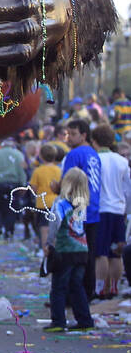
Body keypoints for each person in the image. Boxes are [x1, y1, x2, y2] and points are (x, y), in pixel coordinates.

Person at [44, 169, 94, 332]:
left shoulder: (61, 203)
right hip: (81, 249)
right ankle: (84, 319)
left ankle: (58, 321)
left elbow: (55, 224)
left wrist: (49, 243)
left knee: (59, 286)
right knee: (76, 285)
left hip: (65, 249)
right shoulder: (81, 202)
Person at [63, 119, 104, 303]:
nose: (69, 137)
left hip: (78, 209)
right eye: (67, 133)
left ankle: (73, 297)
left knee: (73, 255)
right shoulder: (94, 154)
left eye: (73, 134)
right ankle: (88, 293)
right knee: (89, 254)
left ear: (84, 135)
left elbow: (66, 184)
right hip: (94, 208)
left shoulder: (74, 154)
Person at [93, 124, 131, 299]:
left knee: (100, 253)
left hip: (100, 209)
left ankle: (100, 288)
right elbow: (127, 189)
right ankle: (114, 286)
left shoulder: (94, 159)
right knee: (116, 253)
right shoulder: (122, 161)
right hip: (118, 210)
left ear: (94, 141)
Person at [0, 138, 28, 239]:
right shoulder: (18, 154)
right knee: (11, 209)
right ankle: (9, 230)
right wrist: (23, 185)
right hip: (14, 185)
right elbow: (21, 171)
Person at [28, 142, 63, 249]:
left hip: (42, 204)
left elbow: (33, 188)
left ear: (41, 156)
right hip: (57, 203)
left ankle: (45, 252)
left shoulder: (38, 171)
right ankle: (56, 251)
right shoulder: (59, 170)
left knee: (44, 230)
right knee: (56, 229)